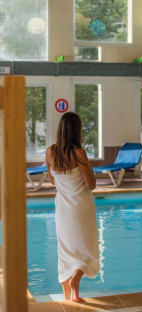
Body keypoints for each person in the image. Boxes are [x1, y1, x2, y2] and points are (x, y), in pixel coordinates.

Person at [45, 112, 99, 303]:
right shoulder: (78, 153)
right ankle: (76, 281)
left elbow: (52, 181)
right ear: (77, 131)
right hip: (82, 207)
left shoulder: (50, 152)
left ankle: (69, 296)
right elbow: (91, 184)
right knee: (86, 248)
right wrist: (89, 167)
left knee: (66, 250)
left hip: (62, 209)